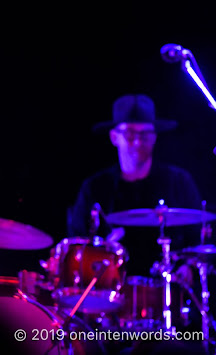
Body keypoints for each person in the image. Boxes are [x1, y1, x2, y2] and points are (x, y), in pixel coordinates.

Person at [68, 94, 203, 278]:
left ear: (154, 137)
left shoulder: (179, 182)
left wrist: (189, 267)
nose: (138, 141)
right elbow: (77, 246)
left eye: (145, 134)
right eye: (130, 134)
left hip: (168, 293)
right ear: (114, 137)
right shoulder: (94, 188)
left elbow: (199, 241)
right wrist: (100, 250)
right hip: (109, 295)